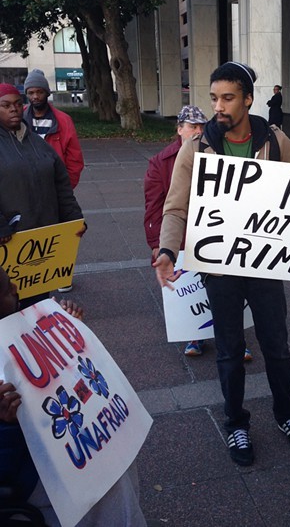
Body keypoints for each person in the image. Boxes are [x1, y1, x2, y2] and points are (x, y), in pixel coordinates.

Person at [154, 61, 290, 466]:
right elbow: (176, 207)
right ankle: (236, 422)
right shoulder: (197, 146)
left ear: (248, 99)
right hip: (219, 267)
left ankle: (287, 415)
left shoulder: (275, 140)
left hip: (266, 266)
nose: (217, 106)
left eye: (228, 97)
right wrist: (168, 251)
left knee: (275, 345)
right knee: (229, 349)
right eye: (214, 97)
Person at [0, 267, 147, 526]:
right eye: (6, 289)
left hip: (75, 446)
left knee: (117, 465)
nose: (16, 288)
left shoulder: (22, 319)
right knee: (106, 487)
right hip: (33, 473)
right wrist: (7, 424)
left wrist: (68, 326)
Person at [143, 105, 252, 360]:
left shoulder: (218, 153)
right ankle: (196, 335)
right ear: (179, 129)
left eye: (202, 126)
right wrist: (157, 244)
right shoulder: (161, 162)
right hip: (182, 237)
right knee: (192, 290)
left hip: (219, 233)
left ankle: (238, 338)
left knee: (230, 289)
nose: (198, 131)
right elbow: (154, 207)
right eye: (192, 126)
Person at [0, 83, 85, 309]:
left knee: (38, 307)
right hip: (9, 244)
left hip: (41, 242)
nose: (14, 110)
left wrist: (74, 220)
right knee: (9, 309)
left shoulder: (37, 142)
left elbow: (62, 186)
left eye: (18, 104)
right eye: (6, 105)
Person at [24, 68, 85, 294]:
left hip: (55, 187)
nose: (35, 97)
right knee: (30, 233)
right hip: (26, 188)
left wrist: (65, 187)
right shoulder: (18, 117)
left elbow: (75, 158)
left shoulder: (63, 121)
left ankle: (62, 274)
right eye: (31, 92)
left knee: (61, 232)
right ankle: (33, 275)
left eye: (39, 91)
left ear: (47, 93)